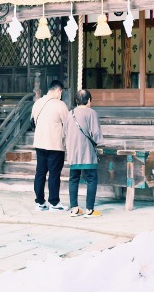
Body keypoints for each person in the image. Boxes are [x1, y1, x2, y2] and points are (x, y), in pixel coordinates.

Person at [64, 89, 105, 217]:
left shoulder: (70, 114)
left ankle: (74, 209)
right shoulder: (91, 113)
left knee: (73, 179)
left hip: (73, 152)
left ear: (77, 101)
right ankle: (89, 210)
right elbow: (96, 134)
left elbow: (64, 133)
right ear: (88, 100)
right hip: (87, 152)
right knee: (92, 179)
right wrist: (99, 142)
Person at [31, 80, 69, 211]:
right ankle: (54, 202)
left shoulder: (38, 103)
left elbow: (33, 121)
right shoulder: (60, 105)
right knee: (54, 174)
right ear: (59, 91)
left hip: (40, 143)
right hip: (55, 144)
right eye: (61, 92)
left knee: (40, 172)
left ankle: (40, 202)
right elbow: (67, 124)